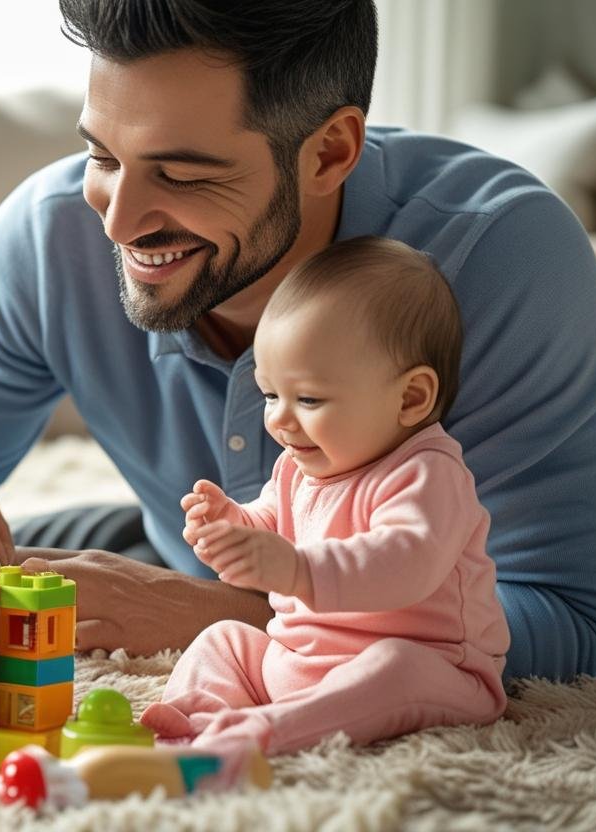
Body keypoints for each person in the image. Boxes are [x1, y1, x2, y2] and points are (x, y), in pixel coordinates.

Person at [0, 0, 596, 679]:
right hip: (171, 547)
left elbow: (581, 627)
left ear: (327, 153)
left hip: (377, 586)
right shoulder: (48, 236)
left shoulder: (501, 256)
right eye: (102, 157)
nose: (117, 222)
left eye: (183, 173)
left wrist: (209, 616)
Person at [140, 237, 509, 753]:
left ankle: (262, 734)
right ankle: (191, 719)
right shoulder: (300, 466)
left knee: (396, 668)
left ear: (411, 398)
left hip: (433, 669)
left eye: (308, 398)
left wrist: (295, 570)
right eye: (270, 394)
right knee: (225, 638)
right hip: (303, 662)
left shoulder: (428, 472)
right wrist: (233, 529)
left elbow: (405, 563)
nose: (280, 419)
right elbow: (273, 526)